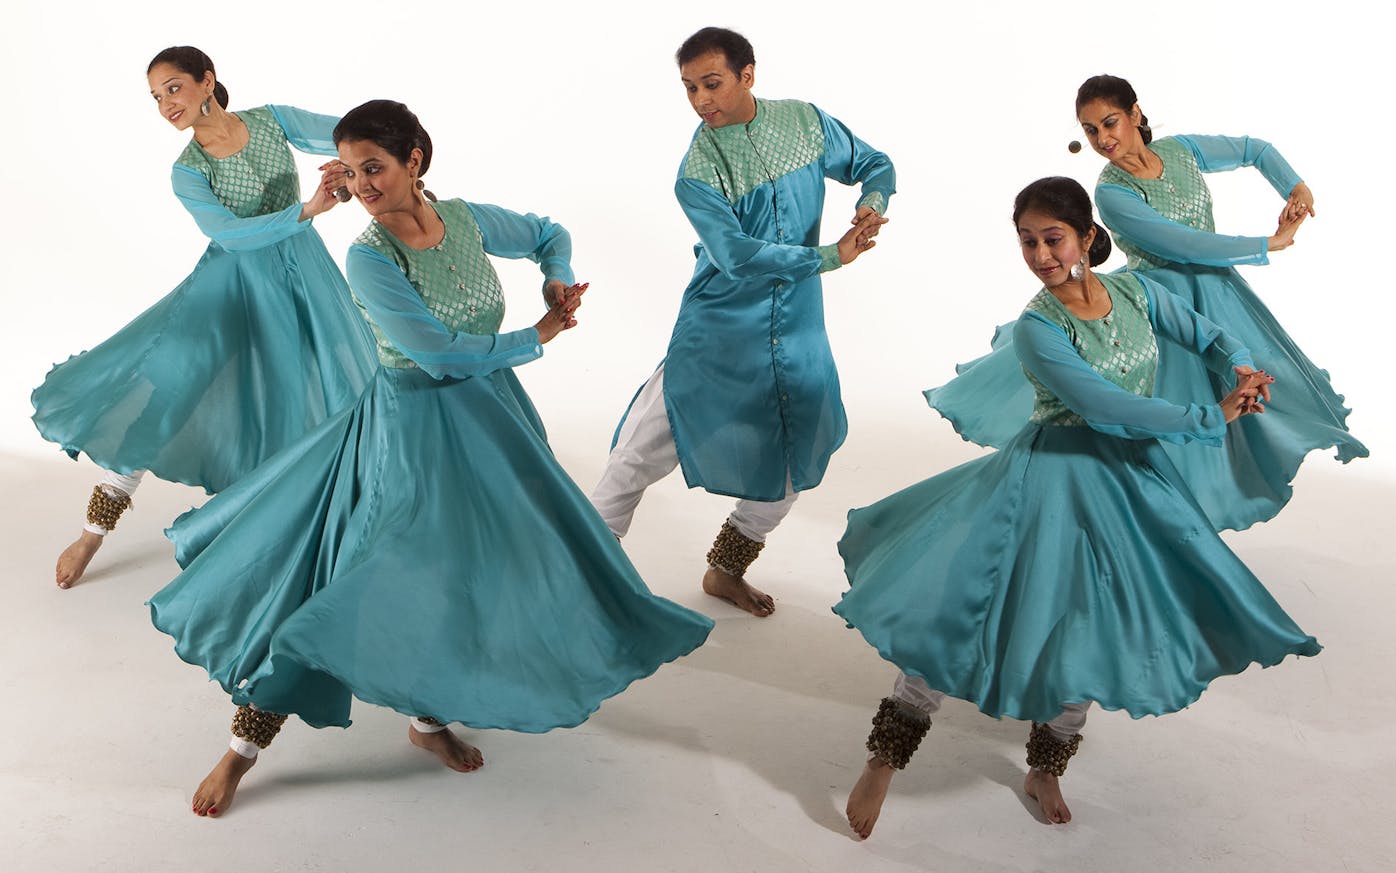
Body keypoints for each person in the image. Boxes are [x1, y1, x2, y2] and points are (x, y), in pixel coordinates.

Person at [148, 99, 714, 818]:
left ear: (416, 160)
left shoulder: (468, 220)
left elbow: (547, 232)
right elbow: (439, 355)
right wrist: (540, 331)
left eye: (374, 167)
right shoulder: (367, 257)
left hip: (490, 417)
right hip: (408, 431)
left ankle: (426, 718)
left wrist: (554, 274)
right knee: (349, 579)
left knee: (476, 569)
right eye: (349, 172)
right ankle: (243, 748)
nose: (360, 185)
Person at [836, 177, 1320, 838]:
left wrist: (1240, 366)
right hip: (1048, 479)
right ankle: (883, 760)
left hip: (1126, 483)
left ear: (1088, 237)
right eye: (1027, 241)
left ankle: (1045, 766)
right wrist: (1211, 412)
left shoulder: (1137, 291)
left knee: (1096, 625)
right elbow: (1106, 408)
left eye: (1051, 237)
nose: (1039, 253)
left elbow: (1208, 334)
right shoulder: (1040, 327)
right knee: (962, 613)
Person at [928, 74, 1365, 532]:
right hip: (1161, 302)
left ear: (1135, 114)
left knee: (1264, 385)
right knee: (1167, 411)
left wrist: (1294, 186)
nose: (1102, 139)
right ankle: (1165, 520)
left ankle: (1198, 514)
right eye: (1090, 130)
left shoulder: (1180, 151)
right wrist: (1267, 243)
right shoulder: (1111, 192)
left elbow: (1254, 149)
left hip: (1220, 294)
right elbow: (1184, 244)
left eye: (1110, 122)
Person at [33, 46, 377, 588]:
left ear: (206, 81)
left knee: (331, 390)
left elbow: (350, 135)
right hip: (228, 287)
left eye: (173, 87)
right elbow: (230, 235)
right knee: (168, 392)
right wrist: (309, 209)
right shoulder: (187, 171)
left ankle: (339, 522)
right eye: (155, 97)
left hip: (304, 278)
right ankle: (90, 533)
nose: (166, 103)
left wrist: (356, 167)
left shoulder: (272, 120)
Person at [589, 27, 894, 616]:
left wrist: (871, 203)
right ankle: (581, 582)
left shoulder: (804, 123)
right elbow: (735, 257)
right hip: (718, 330)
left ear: (746, 74)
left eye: (712, 83)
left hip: (797, 331)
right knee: (637, 456)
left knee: (795, 462)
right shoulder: (697, 170)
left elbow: (875, 163)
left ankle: (726, 569)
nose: (701, 99)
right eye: (689, 89)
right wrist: (831, 256)